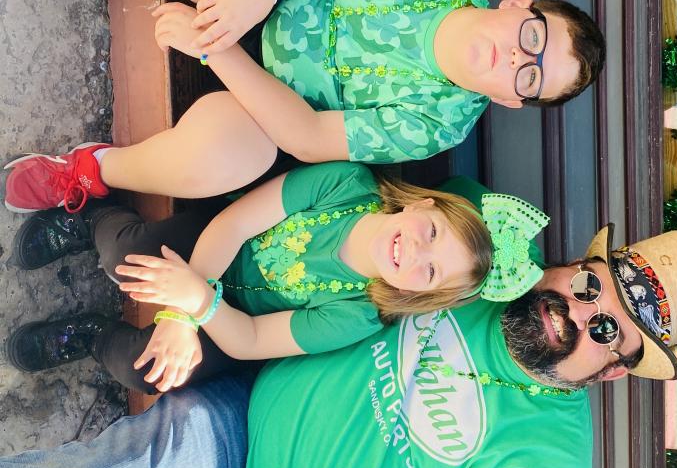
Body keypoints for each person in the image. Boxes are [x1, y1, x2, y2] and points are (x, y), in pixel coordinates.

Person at [0, 192, 677, 468]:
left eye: (608, 331)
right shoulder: (476, 265)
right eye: (591, 285)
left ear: (614, 372)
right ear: (573, 265)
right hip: (232, 437)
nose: (579, 312)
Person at [2, 0, 605, 211]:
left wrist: (216, 51)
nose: (515, 60)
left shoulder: (438, 123)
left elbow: (310, 137)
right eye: (533, 39)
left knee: (234, 156)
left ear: (510, 101)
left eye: (530, 79)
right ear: (517, 6)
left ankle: (90, 170)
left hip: (264, 102)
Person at [6, 164, 544, 397]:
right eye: (431, 233)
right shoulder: (347, 186)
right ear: (422, 203)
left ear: (422, 294)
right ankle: (94, 221)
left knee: (146, 370)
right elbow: (234, 224)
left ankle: (92, 336)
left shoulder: (360, 312)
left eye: (430, 272)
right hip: (216, 244)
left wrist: (196, 310)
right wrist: (177, 313)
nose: (415, 254)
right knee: (127, 256)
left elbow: (252, 340)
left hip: (228, 321)